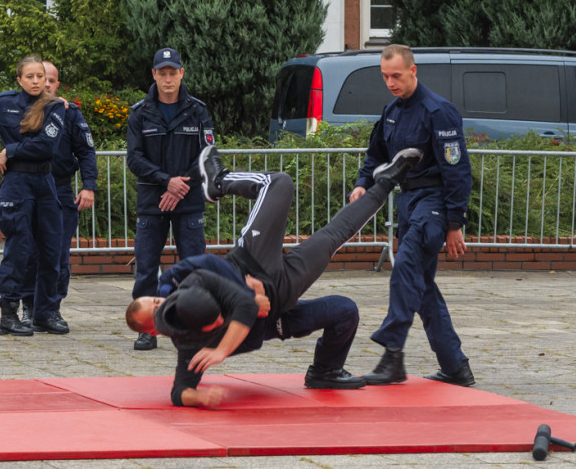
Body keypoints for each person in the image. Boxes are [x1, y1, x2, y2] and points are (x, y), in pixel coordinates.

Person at [126, 144, 423, 407]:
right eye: (154, 308)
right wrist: (200, 396)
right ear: (153, 331)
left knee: (278, 183)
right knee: (341, 283)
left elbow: (215, 270)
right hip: (279, 301)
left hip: (252, 261)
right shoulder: (187, 343)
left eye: (152, 299)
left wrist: (247, 300)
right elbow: (180, 392)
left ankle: (218, 181)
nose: (158, 301)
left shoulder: (180, 285)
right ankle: (385, 183)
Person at [349, 44, 475, 387]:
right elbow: (375, 155)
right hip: (409, 203)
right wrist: (362, 183)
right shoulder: (391, 111)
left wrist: (454, 225)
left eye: (397, 76)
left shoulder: (439, 111)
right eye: (385, 76)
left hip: (433, 203)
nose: (391, 82)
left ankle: (392, 353)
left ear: (413, 71)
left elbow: (457, 170)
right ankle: (455, 367)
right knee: (420, 287)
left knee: (405, 265)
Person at [0, 55, 68, 337]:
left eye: (41, 76)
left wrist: (11, 150)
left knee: (50, 250)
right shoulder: (4, 103)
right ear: (19, 80)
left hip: (45, 182)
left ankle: (43, 314)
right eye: (31, 77)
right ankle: (8, 315)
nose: (37, 81)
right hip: (16, 182)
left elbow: (46, 145)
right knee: (18, 249)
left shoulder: (56, 107)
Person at [126, 47, 215, 351]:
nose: (167, 79)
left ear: (181, 73)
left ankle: (189, 326)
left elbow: (206, 154)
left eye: (172, 72)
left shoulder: (198, 110)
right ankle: (147, 328)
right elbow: (134, 158)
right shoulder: (139, 113)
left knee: (191, 267)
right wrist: (167, 182)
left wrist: (179, 187)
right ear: (154, 75)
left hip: (187, 201)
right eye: (161, 73)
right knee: (147, 268)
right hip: (153, 202)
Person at [19, 61, 98, 327]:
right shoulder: (19, 109)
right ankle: (29, 307)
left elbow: (86, 150)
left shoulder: (70, 113)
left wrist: (88, 186)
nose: (46, 85)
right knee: (29, 253)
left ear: (57, 84)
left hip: (61, 190)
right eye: (42, 79)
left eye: (51, 80)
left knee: (58, 256)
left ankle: (51, 309)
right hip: (29, 188)